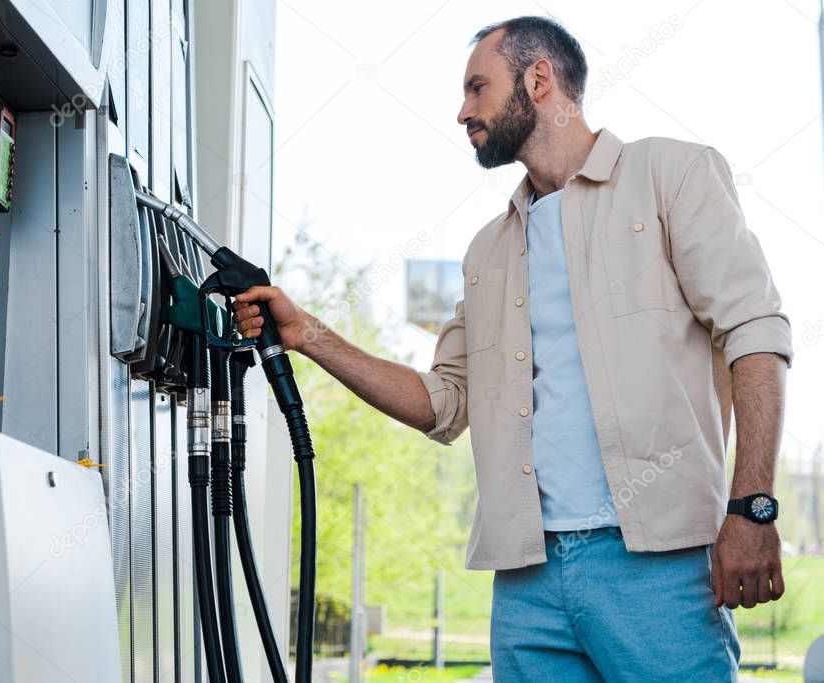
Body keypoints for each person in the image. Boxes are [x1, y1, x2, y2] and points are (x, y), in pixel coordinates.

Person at [233, 15, 792, 682]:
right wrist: (307, 335)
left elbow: (753, 332)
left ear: (538, 78)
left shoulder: (670, 174)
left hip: (660, 568)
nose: (462, 110)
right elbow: (444, 402)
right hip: (527, 582)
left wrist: (752, 507)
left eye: (477, 87)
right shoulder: (488, 251)